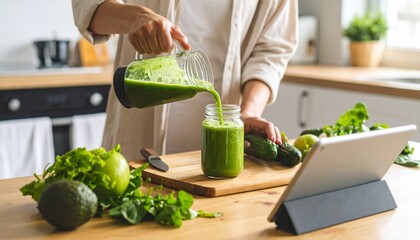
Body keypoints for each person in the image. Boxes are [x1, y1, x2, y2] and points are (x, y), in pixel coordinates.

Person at [72, 0, 298, 160]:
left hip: (223, 140)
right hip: (139, 137)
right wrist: (134, 17)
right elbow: (87, 6)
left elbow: (271, 50)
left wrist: (247, 113)